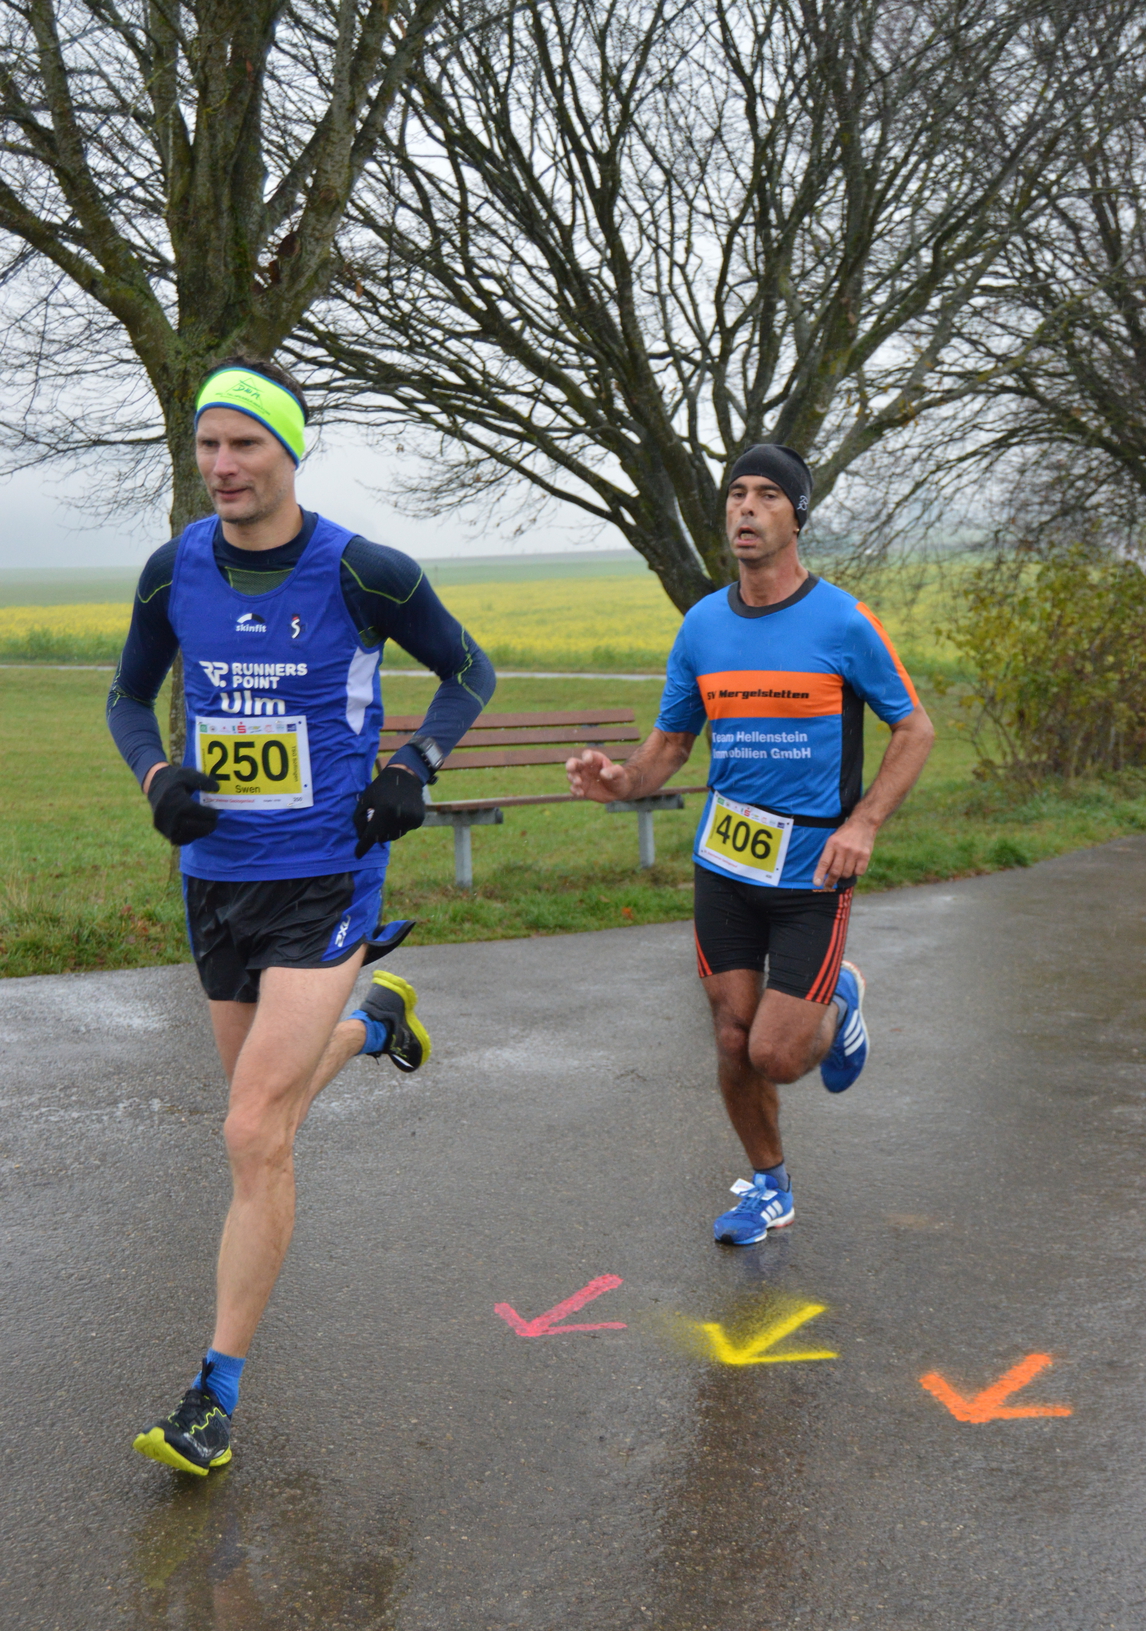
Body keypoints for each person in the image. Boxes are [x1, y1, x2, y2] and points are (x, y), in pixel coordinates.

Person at [108, 358, 495, 1474]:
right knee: (262, 1114)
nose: (223, 465)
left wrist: (414, 764)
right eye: (209, 444)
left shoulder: (366, 572)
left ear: (290, 450)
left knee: (250, 1132)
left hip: (330, 874)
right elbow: (128, 696)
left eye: (246, 444)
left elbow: (470, 672)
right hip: (217, 879)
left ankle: (213, 1395)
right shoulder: (173, 569)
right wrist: (156, 778)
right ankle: (373, 1024)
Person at [566, 444, 933, 1245]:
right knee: (732, 1037)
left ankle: (839, 1000)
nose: (747, 508)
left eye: (768, 495)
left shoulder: (842, 621)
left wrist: (863, 824)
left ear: (796, 517)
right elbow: (671, 744)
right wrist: (620, 781)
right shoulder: (702, 625)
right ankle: (770, 1186)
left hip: (813, 873)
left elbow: (915, 728)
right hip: (726, 866)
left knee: (776, 1055)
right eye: (737, 493)